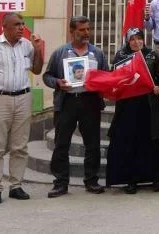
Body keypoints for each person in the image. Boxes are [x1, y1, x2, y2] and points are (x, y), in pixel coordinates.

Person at [0, 13, 44, 205]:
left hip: (23, 97)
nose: (22, 27)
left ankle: (16, 186)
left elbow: (36, 70)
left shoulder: (27, 45)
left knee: (19, 146)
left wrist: (38, 50)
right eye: (17, 24)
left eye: (22, 24)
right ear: (5, 27)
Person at [43, 16, 109, 197]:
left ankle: (91, 180)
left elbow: (106, 75)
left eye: (88, 29)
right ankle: (60, 183)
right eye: (82, 30)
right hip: (67, 102)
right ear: (72, 32)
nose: (87, 33)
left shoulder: (97, 53)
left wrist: (102, 86)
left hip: (90, 102)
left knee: (93, 144)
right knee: (61, 144)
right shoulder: (61, 53)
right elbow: (47, 76)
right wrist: (58, 82)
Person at [106, 28, 159, 194]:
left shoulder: (152, 55)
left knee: (153, 141)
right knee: (130, 142)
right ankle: (131, 181)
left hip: (149, 105)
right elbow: (114, 77)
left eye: (139, 38)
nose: (136, 42)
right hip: (128, 106)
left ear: (143, 39)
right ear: (127, 41)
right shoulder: (120, 56)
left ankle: (156, 178)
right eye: (132, 39)